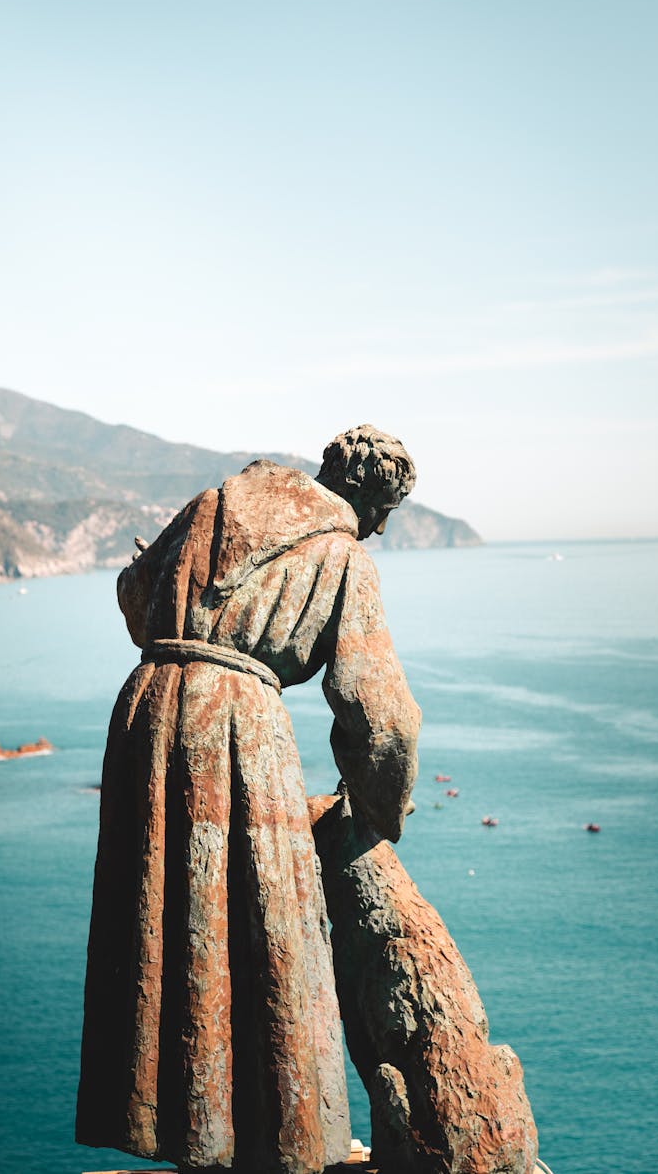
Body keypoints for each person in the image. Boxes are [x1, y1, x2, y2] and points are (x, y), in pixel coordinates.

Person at [76, 425, 422, 1174]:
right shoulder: (341, 556)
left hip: (146, 711)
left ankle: (176, 1125)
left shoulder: (212, 503)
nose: (384, 526)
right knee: (266, 922)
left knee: (159, 914)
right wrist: (380, 807)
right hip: (235, 725)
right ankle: (269, 1135)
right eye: (386, 508)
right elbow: (378, 710)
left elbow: (134, 599)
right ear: (366, 495)